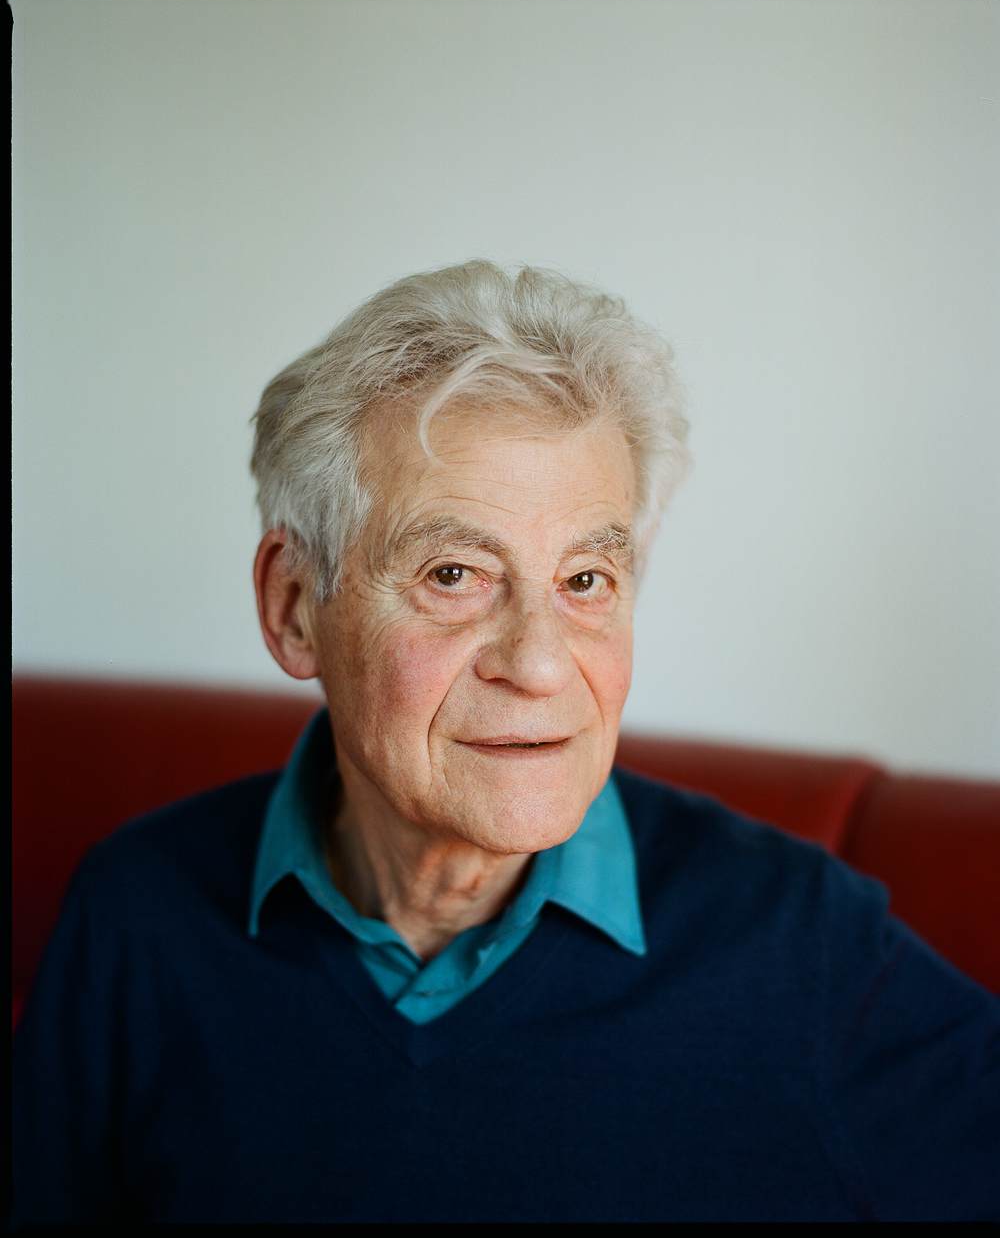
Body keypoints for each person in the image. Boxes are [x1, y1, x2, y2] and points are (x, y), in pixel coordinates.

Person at [11, 260, 999, 1224]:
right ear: (295, 606)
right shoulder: (136, 912)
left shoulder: (800, 941)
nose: (538, 663)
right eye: (453, 573)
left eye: (584, 581)